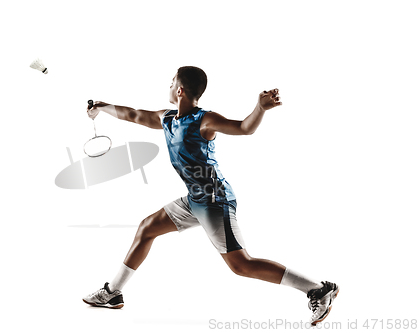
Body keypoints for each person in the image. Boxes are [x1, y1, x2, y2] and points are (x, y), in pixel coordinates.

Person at [82, 66, 339, 326]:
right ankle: (113, 293)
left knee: (241, 265)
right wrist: (104, 107)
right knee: (147, 228)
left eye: (171, 82)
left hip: (215, 201)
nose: (169, 86)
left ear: (180, 90)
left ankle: (317, 288)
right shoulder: (167, 119)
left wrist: (259, 108)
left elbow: (244, 128)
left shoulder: (205, 120)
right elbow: (135, 115)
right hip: (194, 200)